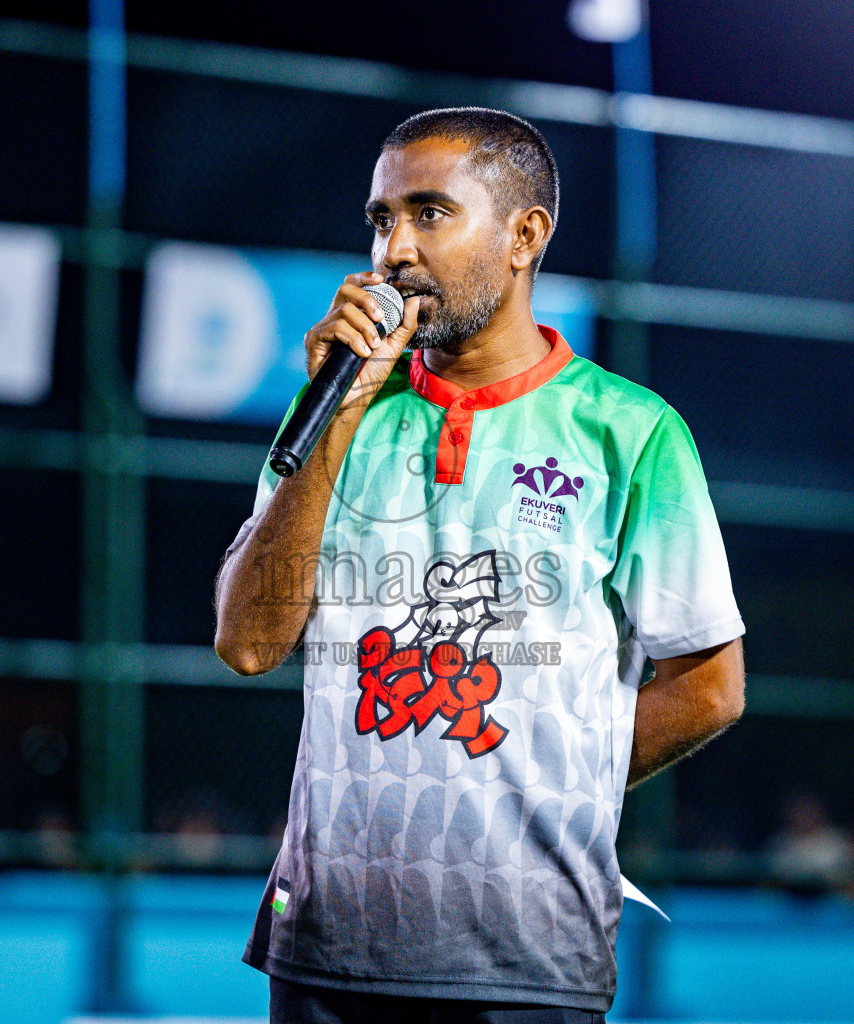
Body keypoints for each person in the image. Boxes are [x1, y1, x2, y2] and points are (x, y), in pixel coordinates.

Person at [215, 107, 746, 1023]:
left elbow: (710, 686)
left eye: (430, 213)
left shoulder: (632, 433)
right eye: (381, 219)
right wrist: (335, 412)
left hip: (528, 954)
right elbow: (247, 643)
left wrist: (554, 782)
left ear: (524, 235)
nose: (393, 250)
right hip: (329, 949)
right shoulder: (336, 406)